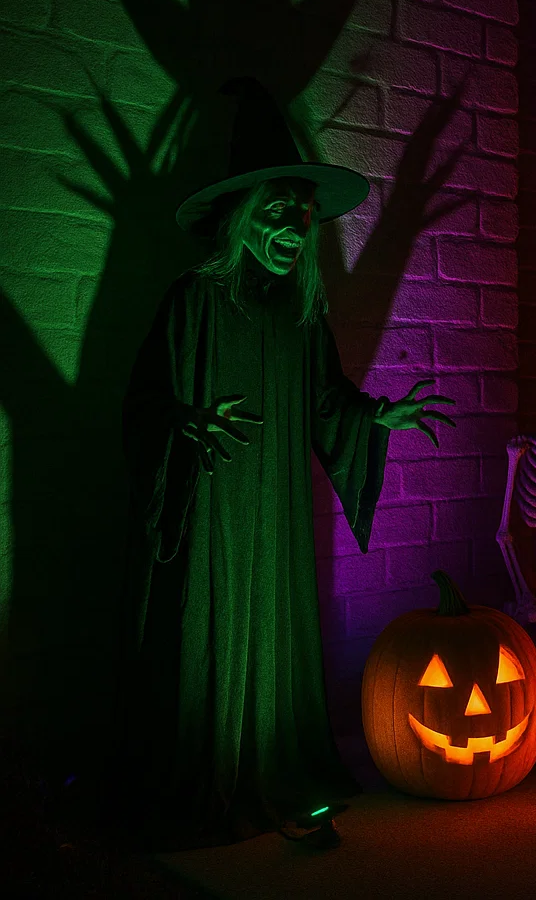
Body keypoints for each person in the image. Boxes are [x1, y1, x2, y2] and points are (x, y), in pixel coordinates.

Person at [116, 79, 453, 848]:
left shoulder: (301, 317)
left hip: (273, 509)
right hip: (213, 509)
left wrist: (373, 415)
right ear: (241, 220)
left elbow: (325, 401)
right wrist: (183, 426)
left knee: (272, 632)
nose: (293, 231)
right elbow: (140, 406)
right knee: (213, 628)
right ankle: (215, 772)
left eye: (301, 218)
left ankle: (275, 770)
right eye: (276, 215)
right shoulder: (192, 302)